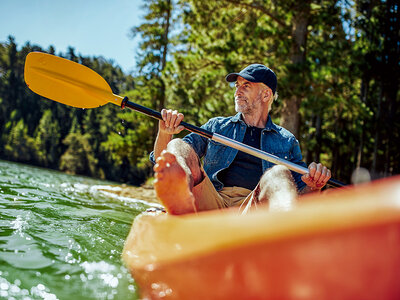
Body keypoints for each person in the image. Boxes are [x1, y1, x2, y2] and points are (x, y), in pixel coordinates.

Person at [150, 64, 331, 215]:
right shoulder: (217, 126)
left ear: (266, 95)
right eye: (237, 86)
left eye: (246, 86)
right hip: (210, 202)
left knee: (278, 174)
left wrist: (314, 186)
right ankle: (179, 201)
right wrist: (166, 133)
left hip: (252, 213)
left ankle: (279, 234)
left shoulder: (287, 141)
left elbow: (300, 197)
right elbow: (162, 160)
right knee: (177, 145)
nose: (237, 91)